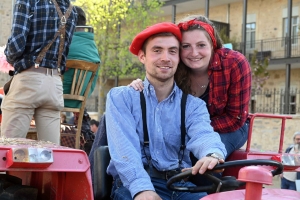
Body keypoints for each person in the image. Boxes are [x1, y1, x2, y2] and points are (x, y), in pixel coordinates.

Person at [106, 22, 227, 200]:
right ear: (142, 56)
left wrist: (213, 154)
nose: (166, 58)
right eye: (157, 50)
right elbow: (125, 151)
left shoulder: (193, 106)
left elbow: (203, 134)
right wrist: (142, 189)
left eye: (172, 51)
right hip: (133, 184)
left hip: (179, 183)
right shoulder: (121, 98)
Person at [129, 15, 252, 158]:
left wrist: (190, 129)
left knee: (201, 158)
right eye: (186, 46)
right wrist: (140, 84)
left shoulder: (235, 63)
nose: (194, 53)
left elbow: (234, 118)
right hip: (184, 129)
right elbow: (156, 81)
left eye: (201, 45)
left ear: (212, 45)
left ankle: (211, 179)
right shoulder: (174, 64)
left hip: (230, 128)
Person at [1, 0, 77, 144]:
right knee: (50, 152)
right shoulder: (70, 9)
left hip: (28, 81)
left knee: (9, 149)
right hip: (54, 84)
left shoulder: (27, 1)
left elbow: (16, 45)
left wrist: (9, 57)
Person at [63, 6, 101, 108]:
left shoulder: (63, 44)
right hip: (78, 102)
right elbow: (92, 84)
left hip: (55, 99)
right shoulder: (93, 50)